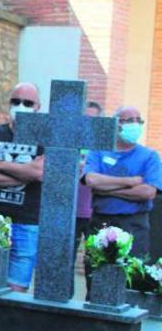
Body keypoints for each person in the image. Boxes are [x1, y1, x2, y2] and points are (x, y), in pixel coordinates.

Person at [0, 83, 45, 292]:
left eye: (28, 103)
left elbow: (39, 173)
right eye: (15, 101)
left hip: (27, 221)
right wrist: (24, 175)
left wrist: (0, 164)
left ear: (38, 107)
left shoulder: (44, 139)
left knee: (16, 289)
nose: (20, 106)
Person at [84, 106, 162, 261]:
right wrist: (130, 182)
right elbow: (91, 180)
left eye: (139, 120)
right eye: (130, 120)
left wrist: (106, 190)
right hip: (102, 221)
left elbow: (148, 192)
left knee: (131, 271)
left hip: (134, 224)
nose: (135, 124)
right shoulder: (98, 152)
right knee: (96, 270)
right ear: (117, 123)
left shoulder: (149, 156)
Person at [75, 101, 103, 284]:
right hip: (70, 212)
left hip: (94, 212)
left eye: (93, 119)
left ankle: (91, 297)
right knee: (63, 259)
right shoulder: (69, 144)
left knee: (93, 262)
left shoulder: (103, 147)